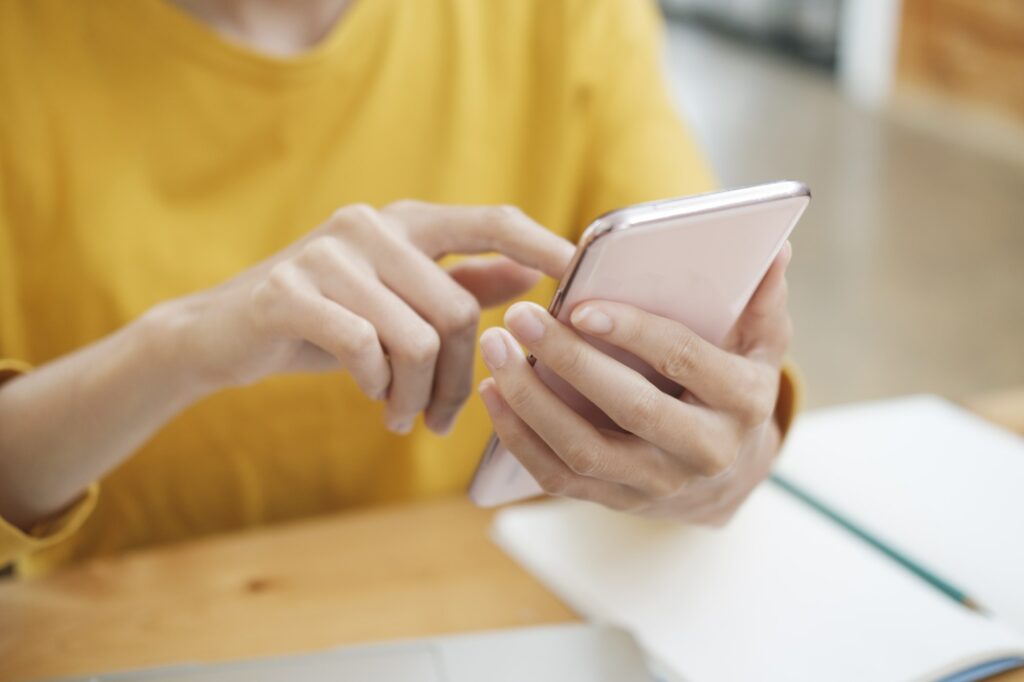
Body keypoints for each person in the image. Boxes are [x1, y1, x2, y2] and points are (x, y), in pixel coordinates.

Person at [0, 0, 799, 577]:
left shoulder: (569, 18)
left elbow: (719, 376)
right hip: (124, 624)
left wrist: (721, 454)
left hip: (492, 604)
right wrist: (177, 348)